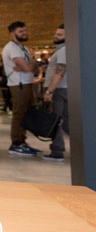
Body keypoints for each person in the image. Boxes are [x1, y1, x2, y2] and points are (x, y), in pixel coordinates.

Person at [2, 21, 41, 156]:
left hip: (27, 83)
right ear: (12, 33)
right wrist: (29, 66)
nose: (25, 33)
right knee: (19, 114)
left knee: (26, 114)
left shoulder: (22, 48)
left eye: (25, 30)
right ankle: (16, 143)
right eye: (21, 31)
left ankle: (22, 141)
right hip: (19, 85)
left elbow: (33, 67)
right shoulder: (12, 48)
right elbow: (27, 68)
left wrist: (31, 65)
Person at [44, 24, 68, 161]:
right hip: (62, 89)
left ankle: (57, 151)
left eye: (59, 35)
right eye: (56, 33)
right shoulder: (63, 50)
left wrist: (49, 91)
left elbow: (60, 72)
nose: (55, 36)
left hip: (58, 90)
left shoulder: (64, 50)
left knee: (55, 120)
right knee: (66, 121)